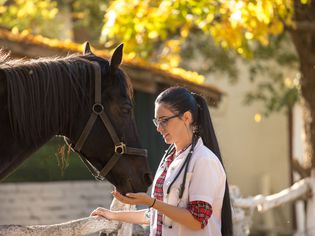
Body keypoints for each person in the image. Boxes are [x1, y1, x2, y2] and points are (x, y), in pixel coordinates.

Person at [90, 86, 233, 235]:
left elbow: (197, 220)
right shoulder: (169, 158)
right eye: (156, 121)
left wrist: (151, 202)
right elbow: (158, 215)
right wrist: (113, 215)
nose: (158, 128)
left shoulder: (204, 160)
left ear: (186, 117)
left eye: (164, 121)